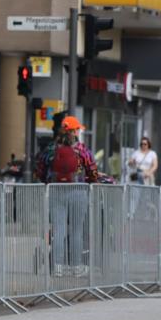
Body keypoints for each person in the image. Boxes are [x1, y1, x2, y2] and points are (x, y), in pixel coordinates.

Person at [34, 115, 99, 275]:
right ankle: (76, 267)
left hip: (56, 191)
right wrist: (91, 181)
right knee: (77, 230)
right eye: (77, 129)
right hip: (78, 192)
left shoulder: (51, 149)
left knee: (59, 230)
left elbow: (40, 168)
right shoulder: (82, 149)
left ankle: (57, 267)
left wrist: (47, 181)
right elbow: (92, 169)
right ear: (75, 131)